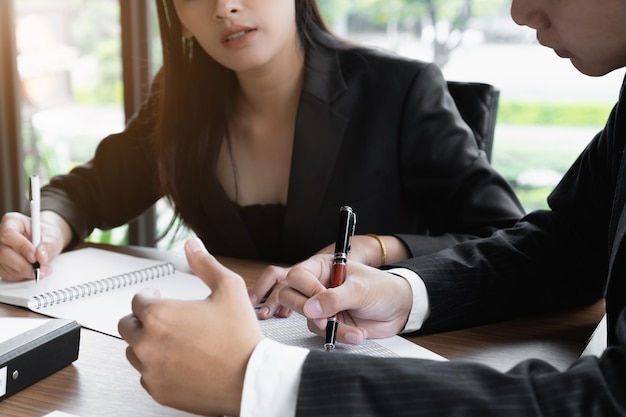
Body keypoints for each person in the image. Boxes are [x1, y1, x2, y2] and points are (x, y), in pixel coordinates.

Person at [118, 0, 626, 415]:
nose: (518, 11)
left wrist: (261, 379)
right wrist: (406, 292)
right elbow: (570, 245)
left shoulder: (395, 86)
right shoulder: (181, 101)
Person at [0, 0, 523, 285]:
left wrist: (379, 248)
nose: (224, 8)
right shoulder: (182, 103)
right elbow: (88, 191)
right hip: (225, 364)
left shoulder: (399, 91)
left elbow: (509, 237)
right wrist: (43, 225)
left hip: (366, 361)